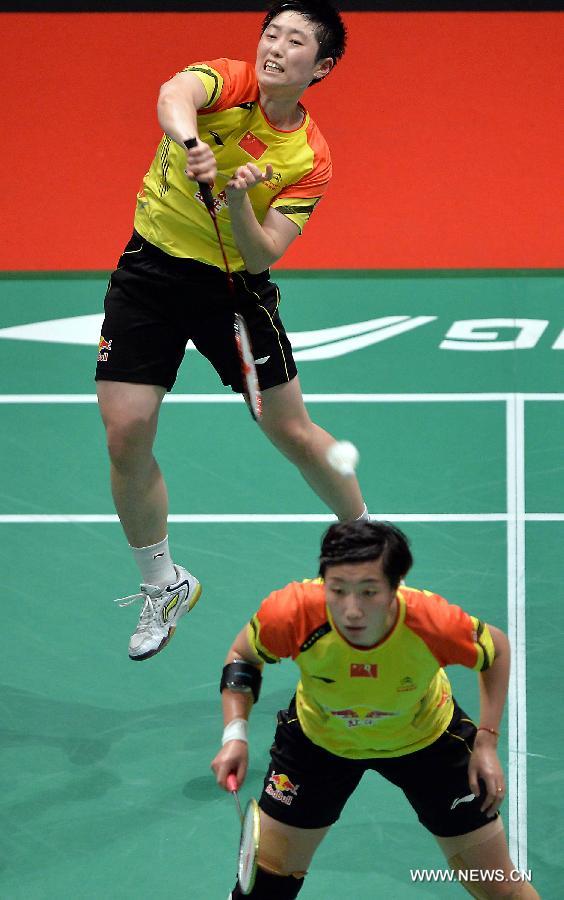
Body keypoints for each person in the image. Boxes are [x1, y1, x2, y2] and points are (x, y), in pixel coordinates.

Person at [95, 0, 369, 662]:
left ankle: (366, 541)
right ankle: (163, 583)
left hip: (231, 292)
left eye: (295, 41)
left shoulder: (308, 157)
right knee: (127, 430)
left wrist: (238, 197)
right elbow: (175, 93)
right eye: (271, 33)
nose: (275, 47)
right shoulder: (230, 82)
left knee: (292, 432)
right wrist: (193, 145)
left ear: (321, 66)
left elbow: (263, 253)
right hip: (150, 271)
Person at [211, 521, 540, 899]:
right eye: (337, 591)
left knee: (499, 887)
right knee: (265, 887)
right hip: (319, 743)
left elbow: (495, 649)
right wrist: (234, 734)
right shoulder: (292, 613)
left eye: (368, 592)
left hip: (426, 742)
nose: (352, 610)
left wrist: (486, 742)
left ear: (395, 587)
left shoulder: (432, 623)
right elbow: (243, 657)